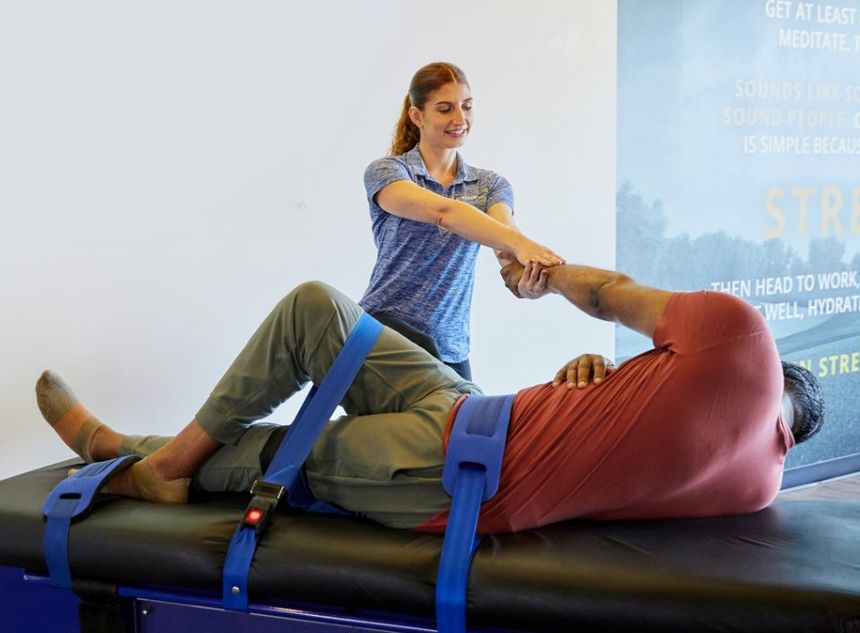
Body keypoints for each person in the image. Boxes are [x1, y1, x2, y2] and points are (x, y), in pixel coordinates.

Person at [36, 260, 824, 535]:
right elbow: (632, 448)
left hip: (450, 476)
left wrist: (543, 274)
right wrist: (600, 376)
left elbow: (609, 292)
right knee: (319, 310)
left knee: (282, 448)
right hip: (472, 408)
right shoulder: (757, 487)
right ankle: (161, 458)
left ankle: (142, 459)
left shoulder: (741, 339)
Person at [359, 62, 564, 379]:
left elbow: (506, 243)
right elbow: (445, 213)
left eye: (467, 107)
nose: (460, 119)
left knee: (468, 414)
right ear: (417, 116)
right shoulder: (389, 172)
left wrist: (529, 283)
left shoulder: (490, 185)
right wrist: (521, 244)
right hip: (382, 334)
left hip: (449, 347)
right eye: (445, 109)